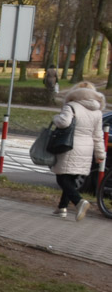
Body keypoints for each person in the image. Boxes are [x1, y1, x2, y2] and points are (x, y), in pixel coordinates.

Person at [50, 80, 106, 220]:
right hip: (87, 149)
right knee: (71, 178)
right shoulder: (97, 112)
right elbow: (98, 135)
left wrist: (56, 118)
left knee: (61, 177)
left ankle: (79, 201)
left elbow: (64, 122)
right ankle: (62, 207)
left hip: (69, 146)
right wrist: (100, 154)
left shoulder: (72, 106)